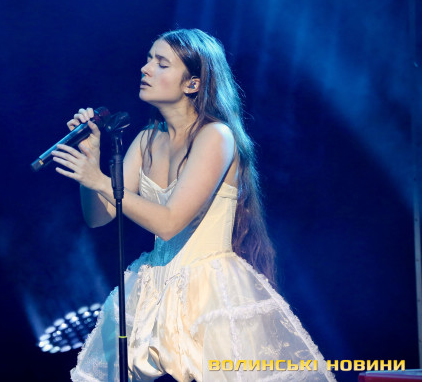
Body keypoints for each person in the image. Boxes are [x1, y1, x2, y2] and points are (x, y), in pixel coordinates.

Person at [51, 29, 335, 381]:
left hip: (208, 288)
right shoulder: (146, 139)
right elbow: (99, 216)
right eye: (148, 59)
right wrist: (90, 163)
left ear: (193, 83)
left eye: (161, 63)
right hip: (153, 286)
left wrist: (99, 180)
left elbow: (170, 222)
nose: (145, 69)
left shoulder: (216, 136)